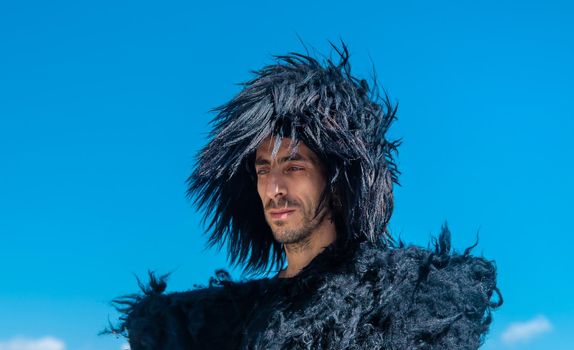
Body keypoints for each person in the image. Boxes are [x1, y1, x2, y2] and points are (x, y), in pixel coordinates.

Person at [111, 44, 502, 349]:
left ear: (336, 181)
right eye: (264, 170)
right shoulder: (216, 325)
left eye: (294, 167)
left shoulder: (412, 297)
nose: (274, 188)